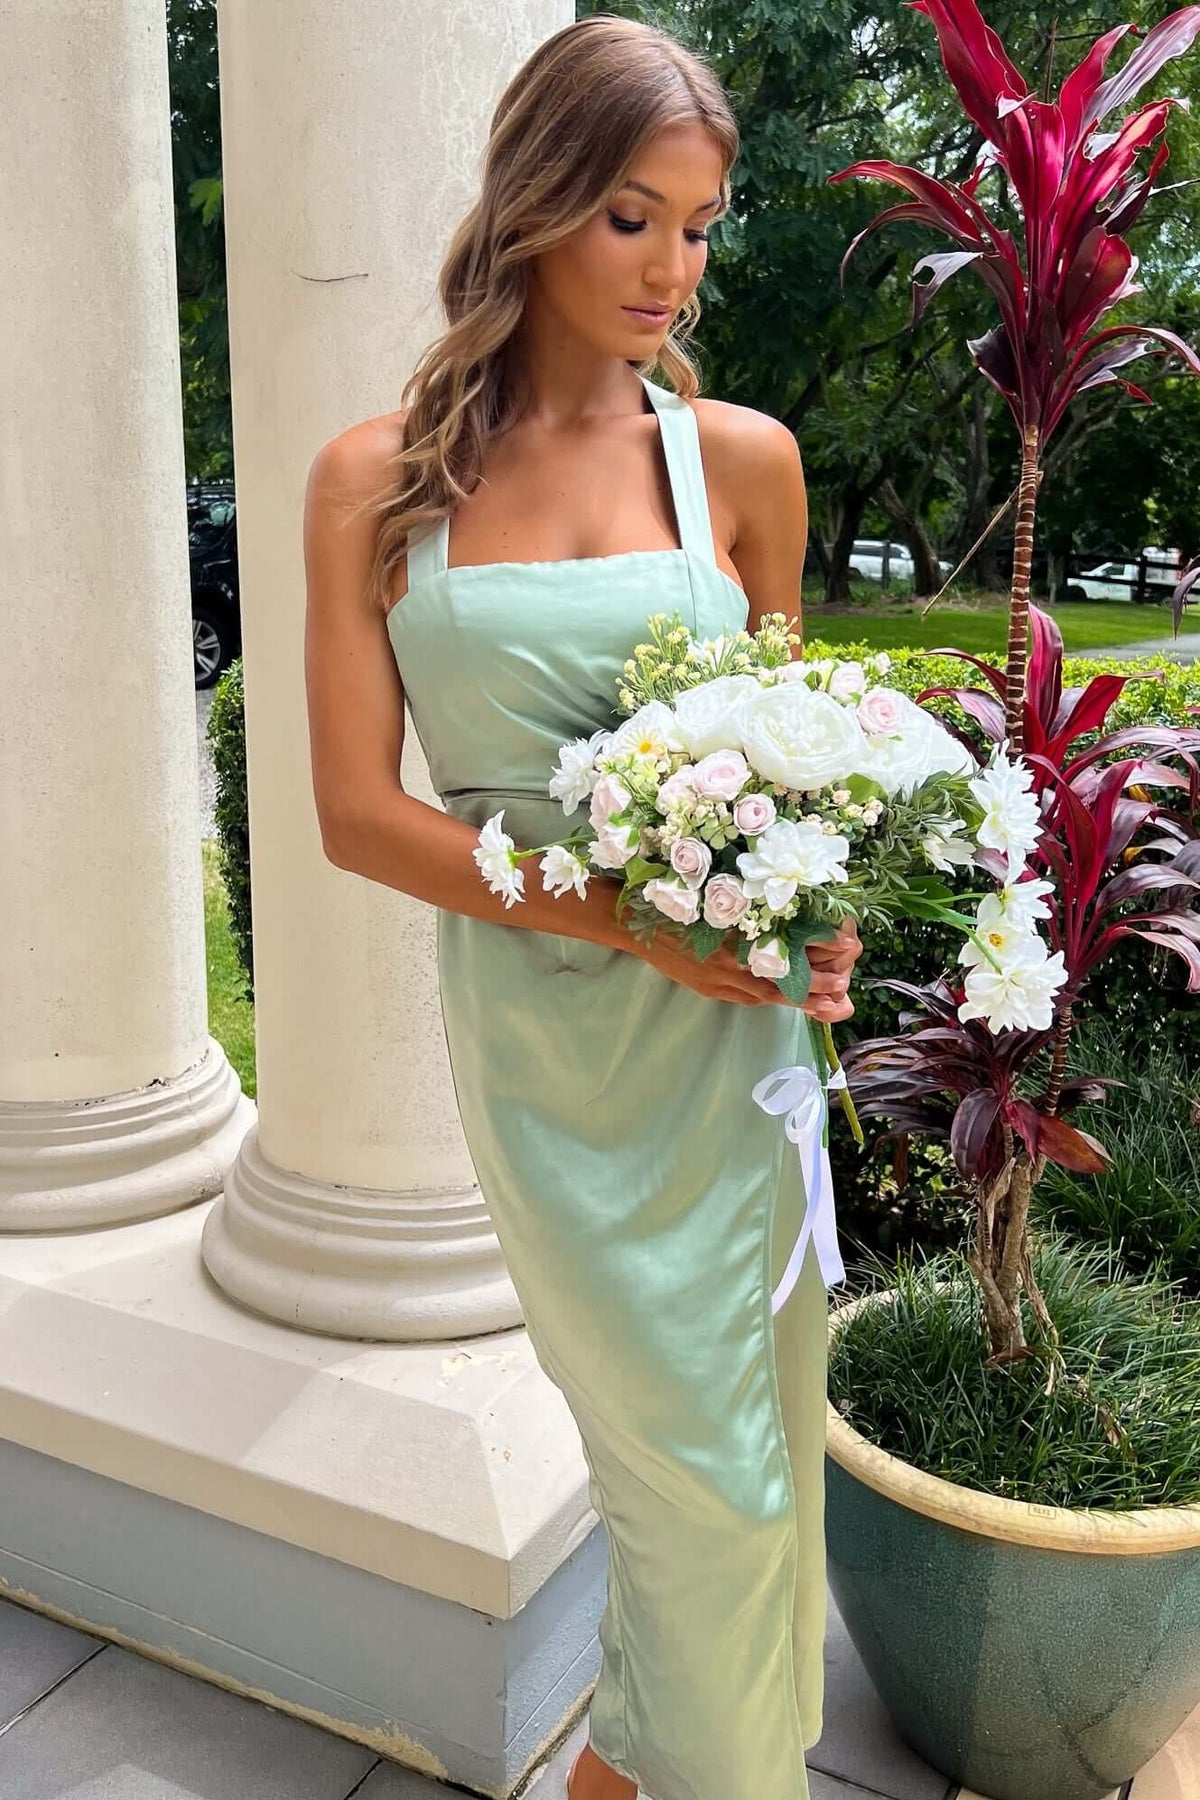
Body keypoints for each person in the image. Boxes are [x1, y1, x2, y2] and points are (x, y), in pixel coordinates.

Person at [303, 16, 862, 1800]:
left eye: (700, 226)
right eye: (632, 216)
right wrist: (624, 918)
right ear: (539, 203)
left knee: (745, 1482)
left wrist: (814, 922)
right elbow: (353, 816)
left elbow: (799, 762)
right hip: (556, 1049)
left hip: (731, 1046)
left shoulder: (744, 464)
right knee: (688, 1483)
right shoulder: (374, 482)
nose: (671, 268)